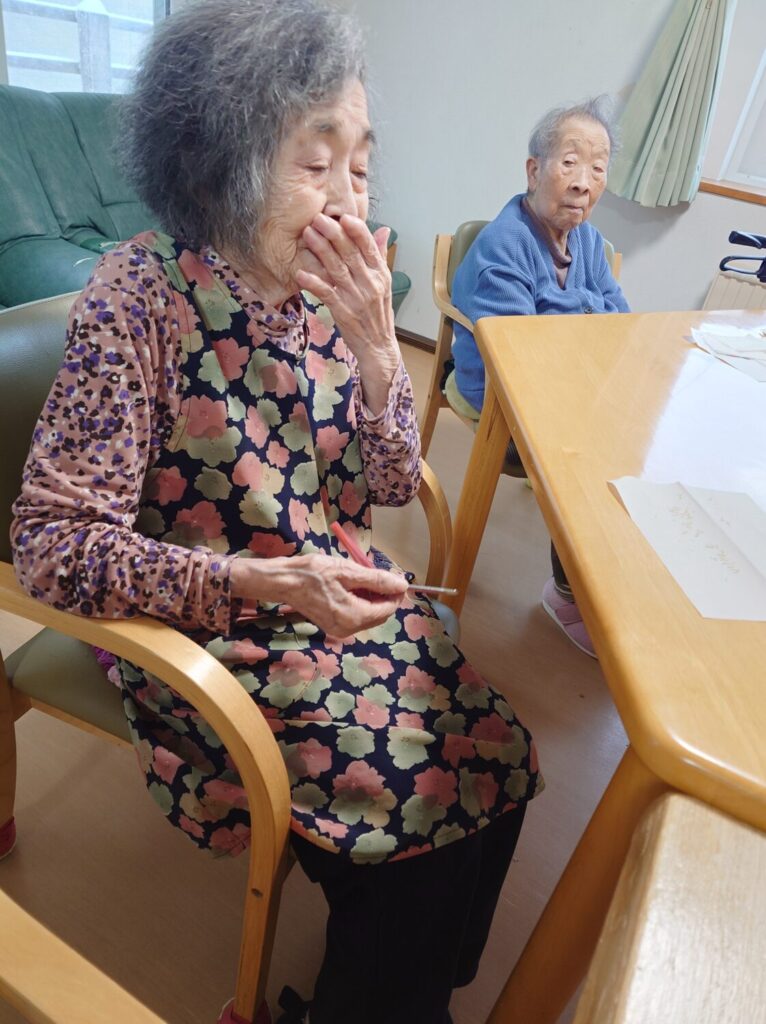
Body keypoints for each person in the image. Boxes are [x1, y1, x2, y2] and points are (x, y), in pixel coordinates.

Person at [10, 3, 541, 1022]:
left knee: (500, 755)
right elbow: (51, 545)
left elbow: (392, 484)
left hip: (327, 598)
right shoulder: (140, 299)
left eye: (362, 165)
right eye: (317, 162)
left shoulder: (327, 298)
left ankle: (408, 987)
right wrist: (260, 579)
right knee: (419, 810)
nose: (350, 199)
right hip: (204, 625)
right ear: (222, 164)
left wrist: (379, 351)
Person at [451, 98, 629, 659]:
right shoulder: (505, 244)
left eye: (597, 168)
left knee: (639, 432)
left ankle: (606, 581)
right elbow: (522, 358)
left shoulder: (590, 243)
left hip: (568, 383)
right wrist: (587, 313)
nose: (583, 182)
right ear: (534, 170)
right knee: (593, 457)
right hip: (502, 393)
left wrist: (570, 315)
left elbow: (622, 322)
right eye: (569, 162)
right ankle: (569, 593)